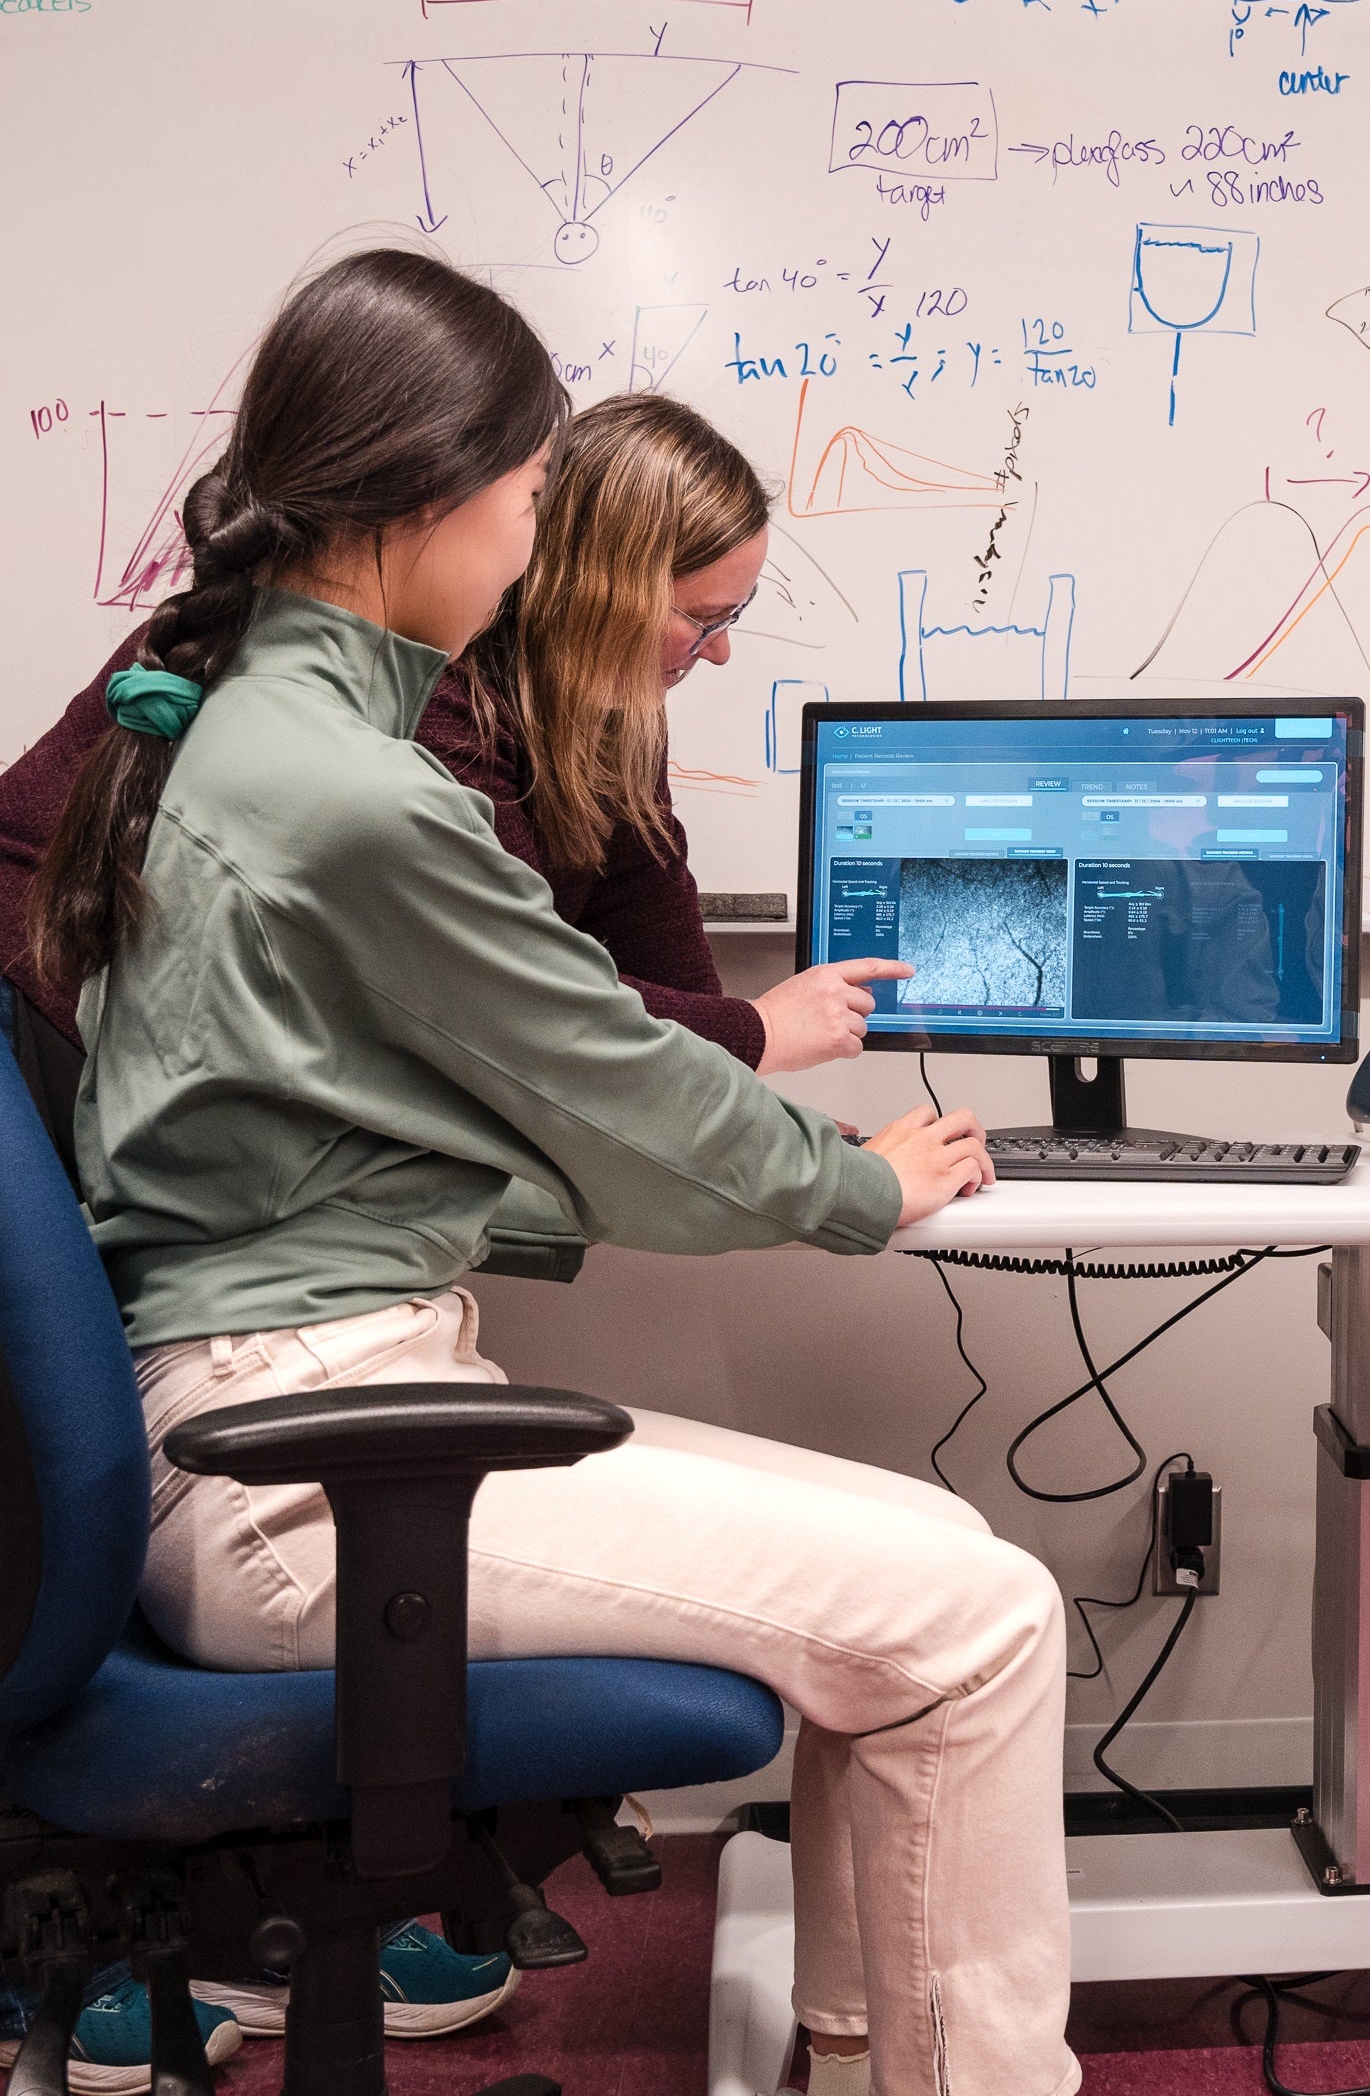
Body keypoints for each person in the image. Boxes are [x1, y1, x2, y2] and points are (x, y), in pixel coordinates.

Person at [26, 248, 1066, 2096]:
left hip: (301, 1413)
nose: (531, 540)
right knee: (980, 1622)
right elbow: (619, 1082)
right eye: (524, 496)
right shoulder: (348, 788)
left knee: (948, 1570)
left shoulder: (249, 724)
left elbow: (391, 1128)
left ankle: (872, 2060)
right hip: (306, 1470)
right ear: (432, 494)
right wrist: (857, 1190)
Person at [0, 393, 906, 1118]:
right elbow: (505, 994)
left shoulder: (607, 705)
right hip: (45, 1016)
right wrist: (752, 1035)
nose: (717, 652)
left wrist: (752, 1119)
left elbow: (645, 921)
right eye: (701, 618)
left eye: (731, 618)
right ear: (600, 591)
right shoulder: (429, 694)